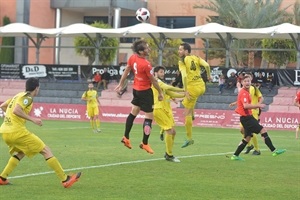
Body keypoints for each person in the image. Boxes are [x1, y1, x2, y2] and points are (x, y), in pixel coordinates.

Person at [0, 78, 81, 187]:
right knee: (45, 150)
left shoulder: (17, 96)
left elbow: (3, 106)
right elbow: (16, 110)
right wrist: (33, 119)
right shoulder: (28, 97)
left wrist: (14, 118)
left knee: (22, 152)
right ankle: (65, 179)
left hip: (5, 131)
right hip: (16, 131)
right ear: (36, 88)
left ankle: (2, 178)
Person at [114, 39, 163, 154]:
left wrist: (121, 83)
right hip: (145, 91)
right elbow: (154, 82)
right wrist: (160, 93)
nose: (149, 49)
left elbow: (127, 70)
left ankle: (126, 137)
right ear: (141, 51)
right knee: (149, 117)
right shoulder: (146, 65)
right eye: (146, 48)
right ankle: (145, 143)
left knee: (134, 112)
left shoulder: (132, 58)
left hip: (136, 89)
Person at [230, 75, 286, 161]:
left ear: (251, 82)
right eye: (245, 81)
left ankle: (235, 155)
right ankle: (274, 150)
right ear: (242, 83)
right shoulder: (244, 92)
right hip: (247, 118)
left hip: (246, 117)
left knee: (247, 138)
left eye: (248, 81)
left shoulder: (246, 91)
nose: (247, 82)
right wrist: (258, 105)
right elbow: (245, 106)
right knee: (263, 130)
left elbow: (242, 102)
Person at [178, 42, 211, 148]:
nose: (179, 51)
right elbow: (207, 65)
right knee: (191, 101)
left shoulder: (182, 61)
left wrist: (185, 90)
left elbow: (184, 76)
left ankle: (189, 138)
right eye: (179, 49)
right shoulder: (196, 57)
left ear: (186, 51)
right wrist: (209, 76)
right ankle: (193, 115)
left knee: (185, 113)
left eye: (181, 50)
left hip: (192, 88)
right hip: (201, 86)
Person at [152, 66, 185, 162]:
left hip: (166, 109)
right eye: (161, 72)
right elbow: (167, 87)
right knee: (170, 131)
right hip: (159, 109)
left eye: (163, 72)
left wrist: (185, 95)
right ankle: (169, 155)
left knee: (173, 132)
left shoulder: (161, 84)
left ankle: (168, 152)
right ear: (155, 73)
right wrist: (183, 90)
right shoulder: (156, 81)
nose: (163, 74)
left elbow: (171, 93)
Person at [229, 72, 263, 155]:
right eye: (246, 79)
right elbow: (244, 100)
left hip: (253, 112)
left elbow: (261, 98)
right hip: (246, 113)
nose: (247, 80)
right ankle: (249, 145)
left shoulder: (253, 88)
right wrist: (235, 103)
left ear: (251, 79)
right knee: (242, 130)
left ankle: (257, 149)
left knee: (251, 131)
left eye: (249, 78)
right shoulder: (245, 89)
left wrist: (258, 105)